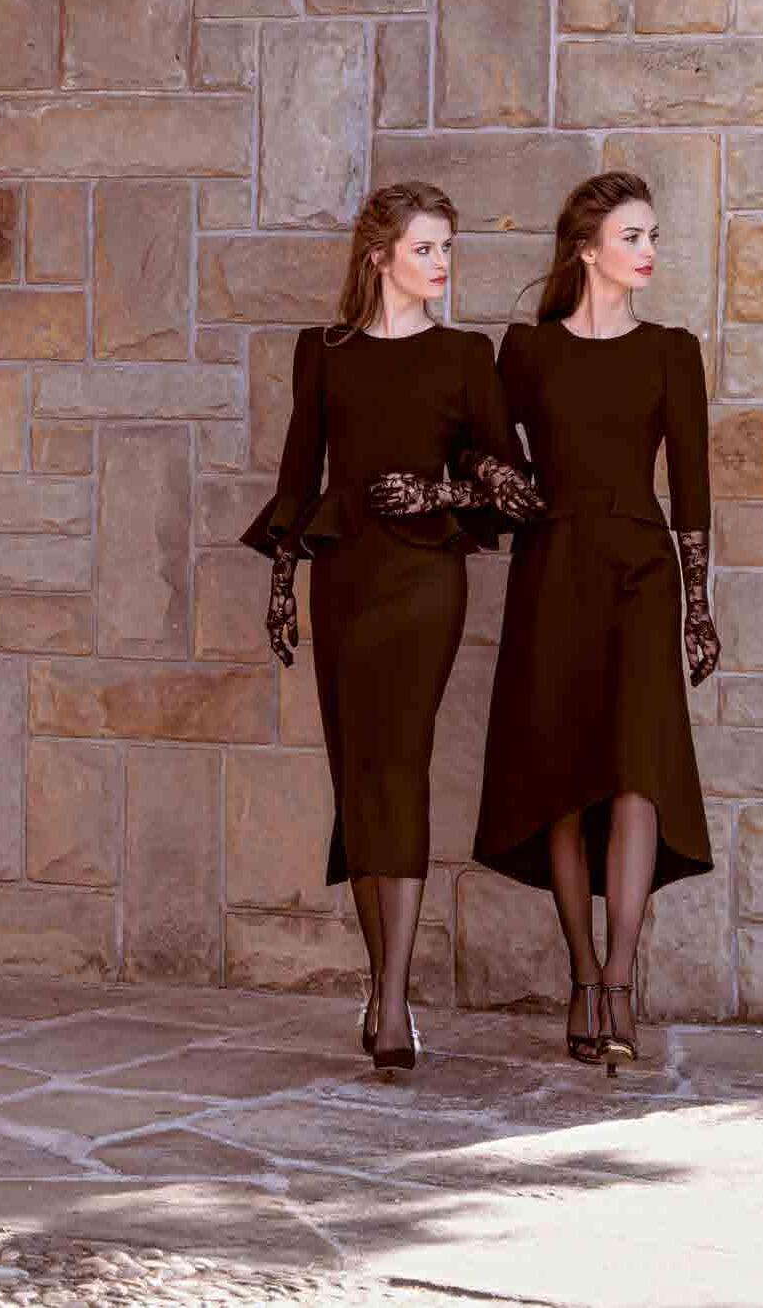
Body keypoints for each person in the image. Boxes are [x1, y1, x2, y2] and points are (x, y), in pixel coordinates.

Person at [244, 182, 541, 1072]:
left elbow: (516, 489)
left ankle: (396, 1003)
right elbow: (299, 472)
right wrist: (281, 585)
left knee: (398, 766)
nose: (441, 264)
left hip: (422, 583)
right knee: (358, 774)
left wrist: (433, 490)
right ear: (378, 257)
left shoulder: (464, 355)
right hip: (342, 581)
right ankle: (380, 984)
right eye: (424, 248)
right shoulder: (323, 351)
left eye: (447, 248)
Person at [435, 170, 717, 1069]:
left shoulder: (671, 351)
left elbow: (693, 489)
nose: (649, 251)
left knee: (637, 774)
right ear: (586, 250)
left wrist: (698, 608)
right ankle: (583, 975)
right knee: (559, 777)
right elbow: (476, 444)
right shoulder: (527, 351)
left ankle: (621, 981)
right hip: (551, 569)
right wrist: (493, 477)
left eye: (653, 236)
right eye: (632, 236)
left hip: (639, 573)